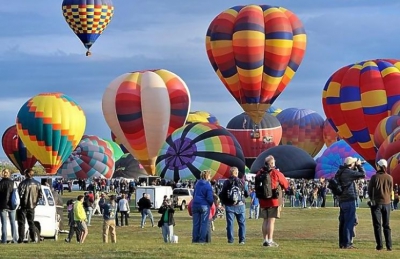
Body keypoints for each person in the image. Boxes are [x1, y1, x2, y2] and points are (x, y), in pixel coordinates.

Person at [256, 156, 289, 247]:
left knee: (265, 220)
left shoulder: (259, 173)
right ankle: (270, 240)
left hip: (262, 199)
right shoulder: (276, 173)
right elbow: (285, 184)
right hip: (273, 199)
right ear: (271, 164)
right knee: (271, 221)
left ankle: (265, 240)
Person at [336, 157, 365, 249]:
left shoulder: (340, 172)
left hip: (342, 200)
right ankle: (348, 243)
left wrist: (355, 167)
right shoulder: (348, 173)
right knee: (349, 222)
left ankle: (342, 243)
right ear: (351, 164)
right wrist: (359, 166)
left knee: (343, 222)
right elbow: (362, 174)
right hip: (349, 199)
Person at [367, 159, 393, 251]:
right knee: (386, 225)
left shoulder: (374, 177)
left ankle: (380, 245)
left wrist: (372, 199)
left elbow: (370, 191)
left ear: (379, 166)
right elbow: (390, 190)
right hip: (387, 203)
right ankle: (389, 246)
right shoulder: (390, 177)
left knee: (377, 225)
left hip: (376, 204)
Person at [219, 167, 248, 245]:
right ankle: (242, 240)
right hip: (240, 205)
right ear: (236, 173)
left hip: (229, 206)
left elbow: (222, 194)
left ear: (230, 173)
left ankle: (231, 240)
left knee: (230, 224)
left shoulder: (226, 182)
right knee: (242, 223)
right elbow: (246, 193)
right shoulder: (242, 182)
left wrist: (224, 202)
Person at [17, 168, 42, 243]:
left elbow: (19, 195)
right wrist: (35, 203)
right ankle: (33, 238)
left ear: (27, 174)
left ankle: (21, 239)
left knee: (22, 223)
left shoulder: (23, 183)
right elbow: (40, 196)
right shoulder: (38, 183)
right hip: (32, 206)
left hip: (23, 206)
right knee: (31, 222)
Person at [192, 170, 214, 243]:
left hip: (195, 204)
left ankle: (195, 240)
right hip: (204, 205)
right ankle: (202, 240)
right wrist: (211, 204)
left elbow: (194, 194)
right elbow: (210, 198)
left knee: (196, 224)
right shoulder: (208, 185)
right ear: (207, 176)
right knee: (204, 223)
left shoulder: (197, 184)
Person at [0, 169, 18, 243]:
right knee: (12, 222)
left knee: (4, 223)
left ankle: (4, 239)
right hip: (11, 204)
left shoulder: (0, 183)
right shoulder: (13, 183)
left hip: (2, 205)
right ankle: (14, 239)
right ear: (9, 174)